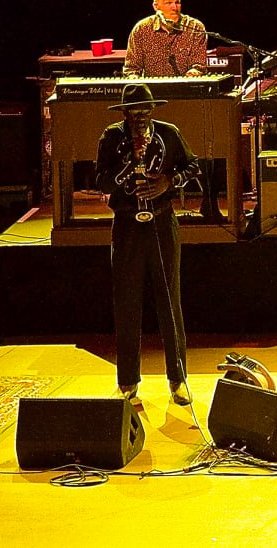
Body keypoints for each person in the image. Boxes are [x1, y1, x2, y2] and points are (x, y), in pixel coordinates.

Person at [94, 84, 197, 405]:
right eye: (133, 113)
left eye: (145, 112)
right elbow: (99, 181)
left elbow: (192, 165)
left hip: (163, 222)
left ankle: (178, 379)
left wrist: (169, 181)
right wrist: (129, 163)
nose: (139, 119)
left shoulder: (168, 133)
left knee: (169, 300)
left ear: (152, 111)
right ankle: (128, 381)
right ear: (124, 113)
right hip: (126, 225)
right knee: (127, 301)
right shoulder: (111, 138)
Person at [122, 0, 209, 78]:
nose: (175, 8)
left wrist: (187, 79)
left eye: (177, 2)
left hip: (185, 89)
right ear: (156, 6)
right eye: (168, 3)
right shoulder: (141, 29)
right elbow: (131, 68)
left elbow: (199, 67)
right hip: (151, 91)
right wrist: (135, 81)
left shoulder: (195, 28)